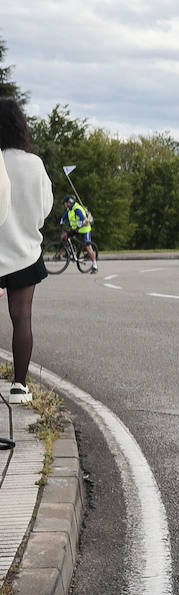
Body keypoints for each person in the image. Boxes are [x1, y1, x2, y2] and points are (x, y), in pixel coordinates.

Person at [0, 99, 48, 403]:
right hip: (24, 251)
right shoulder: (34, 164)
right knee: (22, 318)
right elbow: (44, 209)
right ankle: (19, 386)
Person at [63, 195, 98, 272]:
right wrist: (61, 223)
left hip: (85, 229)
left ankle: (95, 265)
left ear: (70, 202)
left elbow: (82, 219)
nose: (65, 204)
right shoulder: (69, 209)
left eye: (66, 203)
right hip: (77, 229)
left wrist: (78, 226)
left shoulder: (77, 209)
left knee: (88, 247)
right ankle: (69, 252)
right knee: (64, 237)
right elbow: (64, 217)